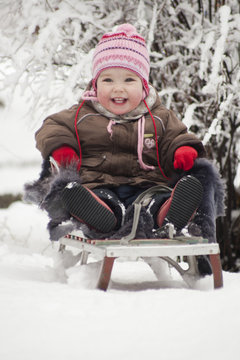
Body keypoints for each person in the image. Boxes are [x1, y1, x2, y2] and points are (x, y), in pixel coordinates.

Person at [24, 24, 225, 258]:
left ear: (143, 84)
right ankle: (96, 214)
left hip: (148, 187)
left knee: (155, 202)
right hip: (98, 188)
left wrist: (183, 149)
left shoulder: (159, 117)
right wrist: (62, 148)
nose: (118, 88)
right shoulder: (81, 114)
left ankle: (169, 214)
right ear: (95, 84)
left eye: (129, 80)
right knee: (100, 201)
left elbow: (177, 136)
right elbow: (51, 127)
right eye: (107, 80)